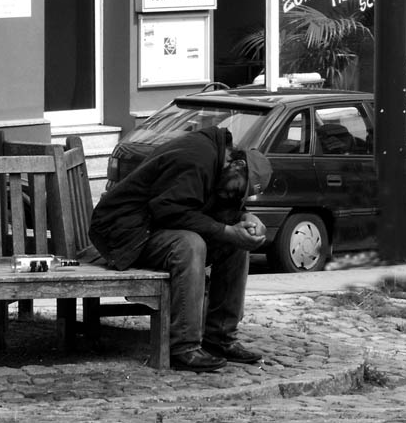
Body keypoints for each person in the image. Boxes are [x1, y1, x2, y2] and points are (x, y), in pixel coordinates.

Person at [88, 125, 273, 372]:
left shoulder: (217, 161)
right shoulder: (198, 159)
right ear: (237, 165)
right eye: (238, 190)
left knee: (236, 244)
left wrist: (244, 218)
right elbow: (171, 212)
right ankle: (184, 347)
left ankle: (220, 338)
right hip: (122, 234)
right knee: (190, 244)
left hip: (147, 227)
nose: (234, 195)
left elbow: (199, 202)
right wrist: (228, 230)